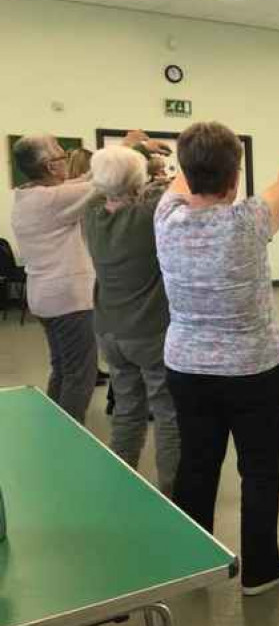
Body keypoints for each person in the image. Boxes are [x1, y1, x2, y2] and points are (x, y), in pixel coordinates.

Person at [155, 121, 279, 596]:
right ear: (235, 178)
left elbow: (181, 178)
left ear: (187, 173)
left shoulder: (165, 217)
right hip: (254, 370)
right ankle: (260, 568)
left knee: (197, 463)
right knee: (260, 467)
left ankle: (193, 560)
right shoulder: (250, 219)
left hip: (187, 368)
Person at [83, 146, 180, 496]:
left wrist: (132, 159)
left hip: (110, 331)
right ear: (138, 182)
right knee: (167, 411)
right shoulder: (149, 215)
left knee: (127, 408)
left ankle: (122, 483)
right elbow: (179, 186)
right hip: (149, 332)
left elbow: (100, 187)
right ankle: (173, 493)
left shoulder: (91, 214)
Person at [10, 135, 97, 424]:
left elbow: (82, 181)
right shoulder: (52, 200)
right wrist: (134, 149)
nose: (66, 158)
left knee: (62, 368)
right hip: (68, 301)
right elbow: (103, 183)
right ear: (50, 167)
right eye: (61, 155)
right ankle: (70, 439)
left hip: (45, 298)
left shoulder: (28, 195)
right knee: (79, 377)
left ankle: (52, 426)